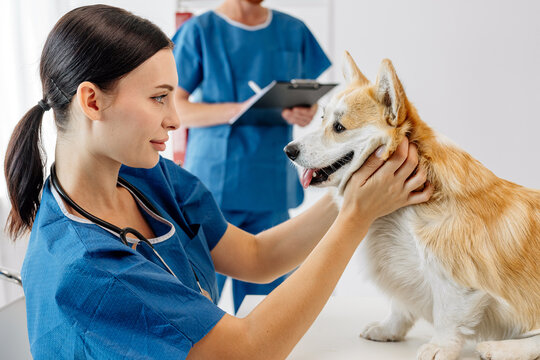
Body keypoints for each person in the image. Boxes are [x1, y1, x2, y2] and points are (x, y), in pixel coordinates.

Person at [4, 5, 433, 359]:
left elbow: (257, 256)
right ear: (92, 101)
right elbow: (245, 352)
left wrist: (350, 191)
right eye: (158, 97)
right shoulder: (88, 269)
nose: (175, 118)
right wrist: (357, 215)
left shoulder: (148, 179)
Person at [172, 0, 332, 312]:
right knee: (200, 306)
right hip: (213, 190)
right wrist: (239, 109)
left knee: (268, 309)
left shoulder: (292, 30)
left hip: (269, 187)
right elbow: (175, 106)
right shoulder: (200, 31)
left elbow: (303, 99)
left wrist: (305, 112)